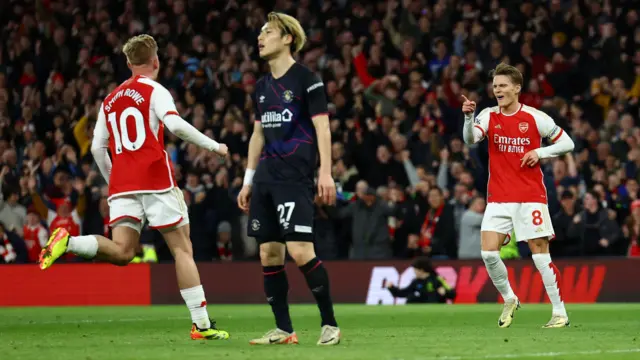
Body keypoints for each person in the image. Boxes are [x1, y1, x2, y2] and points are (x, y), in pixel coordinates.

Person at [37, 34, 230, 341]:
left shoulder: (110, 100)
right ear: (156, 61)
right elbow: (176, 126)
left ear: (128, 63)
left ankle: (69, 243)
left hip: (122, 185)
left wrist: (115, 178)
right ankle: (202, 325)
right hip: (155, 179)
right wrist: (214, 145)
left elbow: (99, 149)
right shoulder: (156, 91)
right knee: (182, 249)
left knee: (124, 251)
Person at [237, 12, 340, 345]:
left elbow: (323, 127)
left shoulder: (306, 80)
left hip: (295, 178)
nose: (260, 37)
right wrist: (247, 180)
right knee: (268, 253)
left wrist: (325, 172)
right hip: (266, 178)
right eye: (261, 32)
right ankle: (284, 329)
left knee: (299, 250)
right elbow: (257, 135)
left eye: (268, 32)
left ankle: (330, 325)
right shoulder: (262, 86)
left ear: (287, 39)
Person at [461, 63, 575, 328]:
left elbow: (567, 142)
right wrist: (468, 118)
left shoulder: (536, 117)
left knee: (539, 255)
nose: (497, 89)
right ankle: (510, 297)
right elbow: (470, 139)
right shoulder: (489, 115)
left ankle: (559, 312)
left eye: (502, 85)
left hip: (530, 197)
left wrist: (541, 152)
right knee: (489, 254)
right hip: (498, 198)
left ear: (516, 88)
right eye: (495, 85)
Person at [385, 257, 455, 303]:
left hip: (436, 309)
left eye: (415, 269)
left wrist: (445, 292)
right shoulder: (416, 282)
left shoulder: (438, 279)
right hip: (421, 309)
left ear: (421, 270)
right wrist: (392, 288)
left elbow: (452, 293)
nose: (414, 272)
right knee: (411, 298)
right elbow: (404, 293)